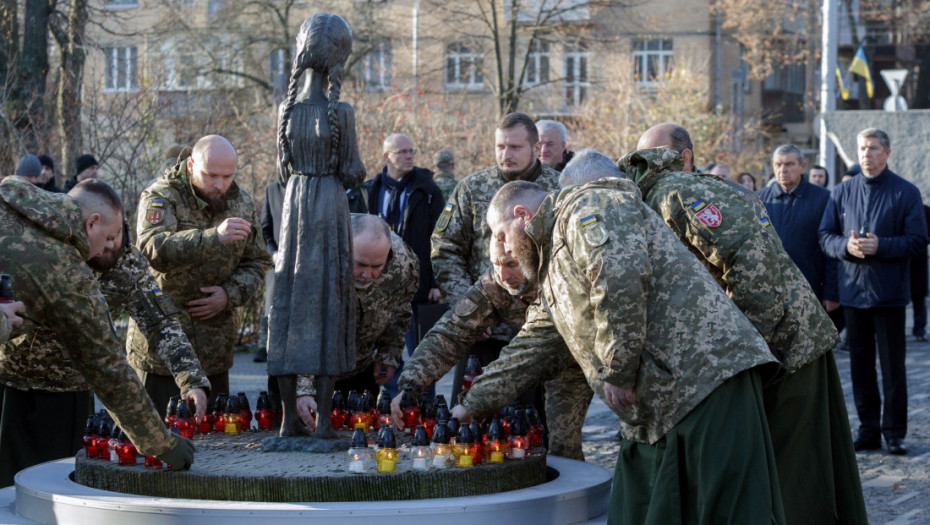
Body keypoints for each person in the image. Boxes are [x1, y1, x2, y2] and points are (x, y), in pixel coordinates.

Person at [479, 170, 784, 524]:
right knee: (637, 509)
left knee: (724, 510)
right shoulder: (554, 261)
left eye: (501, 235)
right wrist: (469, 407)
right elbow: (530, 346)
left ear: (521, 215)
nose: (503, 247)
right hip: (662, 400)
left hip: (706, 379)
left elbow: (619, 278)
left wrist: (618, 369)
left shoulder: (586, 205)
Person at [620, 123, 867, 525]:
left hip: (784, 347)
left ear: (684, 157)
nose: (646, 168)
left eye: (655, 158)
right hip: (787, 339)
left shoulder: (680, 193)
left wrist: (752, 352)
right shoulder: (703, 189)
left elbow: (750, 267)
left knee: (793, 470)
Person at [0, 178, 194, 487]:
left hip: (62, 392)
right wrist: (162, 444)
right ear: (91, 223)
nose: (108, 247)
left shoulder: (10, 201)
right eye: (108, 237)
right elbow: (108, 369)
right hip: (13, 387)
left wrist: (191, 378)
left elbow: (159, 320)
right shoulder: (67, 272)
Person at [395, 240, 592, 460]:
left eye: (511, 264)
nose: (504, 275)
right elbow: (453, 329)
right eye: (496, 264)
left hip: (583, 357)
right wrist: (411, 384)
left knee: (563, 444)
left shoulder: (560, 274)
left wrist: (471, 404)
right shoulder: (497, 279)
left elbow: (530, 352)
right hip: (531, 355)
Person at [269, 13, 367, 438]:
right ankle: (324, 423)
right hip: (327, 210)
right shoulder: (339, 112)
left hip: (294, 211)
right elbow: (352, 171)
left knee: (290, 306)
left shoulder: (285, 109)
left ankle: (289, 421)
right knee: (329, 307)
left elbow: (281, 168)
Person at [130, 135, 271, 421]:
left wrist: (229, 294)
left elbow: (257, 262)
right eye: (211, 175)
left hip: (214, 349)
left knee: (218, 443)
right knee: (157, 440)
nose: (219, 185)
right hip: (163, 351)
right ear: (191, 164)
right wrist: (212, 238)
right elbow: (152, 248)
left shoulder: (241, 203)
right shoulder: (161, 196)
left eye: (227, 176)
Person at [431, 112, 560, 404]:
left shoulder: (559, 190)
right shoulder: (471, 188)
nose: (506, 154)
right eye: (500, 146)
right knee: (473, 418)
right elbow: (444, 247)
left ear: (536, 148)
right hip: (486, 330)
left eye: (515, 147)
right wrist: (468, 307)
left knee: (537, 426)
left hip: (541, 332)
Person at [820, 128, 928, 456]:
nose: (867, 154)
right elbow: (825, 236)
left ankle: (894, 432)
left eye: (874, 148)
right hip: (853, 292)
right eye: (863, 148)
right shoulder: (841, 191)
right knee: (860, 367)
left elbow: (918, 239)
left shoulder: (905, 192)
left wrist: (881, 245)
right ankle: (868, 430)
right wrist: (846, 245)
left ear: (888, 152)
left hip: (890, 294)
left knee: (893, 368)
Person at [294, 214, 418, 432]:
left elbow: (401, 308)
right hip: (307, 371)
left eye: (376, 266)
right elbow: (294, 325)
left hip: (359, 368)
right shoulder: (312, 259)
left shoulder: (404, 261)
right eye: (359, 264)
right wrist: (301, 388)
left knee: (359, 443)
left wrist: (389, 354)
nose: (367, 275)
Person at [349, 132, 444, 397]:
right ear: (386, 156)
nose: (408, 156)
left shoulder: (427, 190)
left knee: (421, 351)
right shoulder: (369, 190)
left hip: (419, 284)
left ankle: (419, 404)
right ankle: (388, 403)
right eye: (402, 152)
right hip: (376, 283)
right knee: (384, 350)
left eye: (411, 151)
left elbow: (439, 238)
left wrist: (436, 283)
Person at [254, 179, 285, 364]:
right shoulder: (272, 190)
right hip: (277, 261)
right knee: (271, 306)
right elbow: (265, 228)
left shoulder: (312, 187)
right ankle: (264, 346)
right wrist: (273, 252)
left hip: (308, 264)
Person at [910, 204, 930, 342]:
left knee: (919, 295)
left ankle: (919, 329)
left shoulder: (924, 210)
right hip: (898, 258)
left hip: (918, 258)